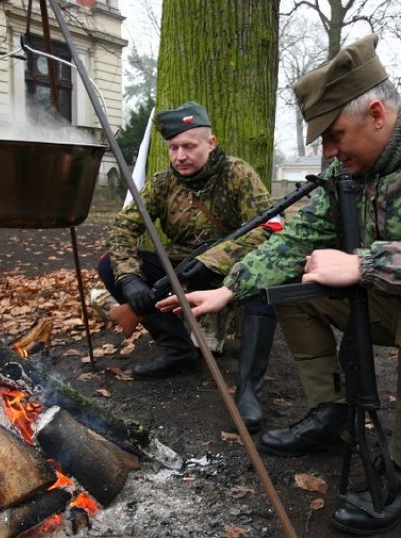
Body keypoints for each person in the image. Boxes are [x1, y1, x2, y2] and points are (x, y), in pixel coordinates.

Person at [157, 35, 401, 534]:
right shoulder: (355, 168)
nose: (329, 150)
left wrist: (363, 264)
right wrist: (231, 288)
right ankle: (330, 413)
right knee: (296, 287)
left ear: (378, 113)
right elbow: (296, 240)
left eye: (335, 134)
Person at [98, 101, 280, 431]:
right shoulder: (161, 183)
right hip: (179, 267)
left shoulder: (239, 175)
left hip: (232, 270)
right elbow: (123, 228)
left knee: (265, 282)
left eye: (189, 146)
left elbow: (270, 230)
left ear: (211, 144)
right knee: (109, 265)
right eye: (173, 147)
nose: (180, 155)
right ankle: (178, 350)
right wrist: (130, 280)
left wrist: (217, 260)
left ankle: (249, 389)